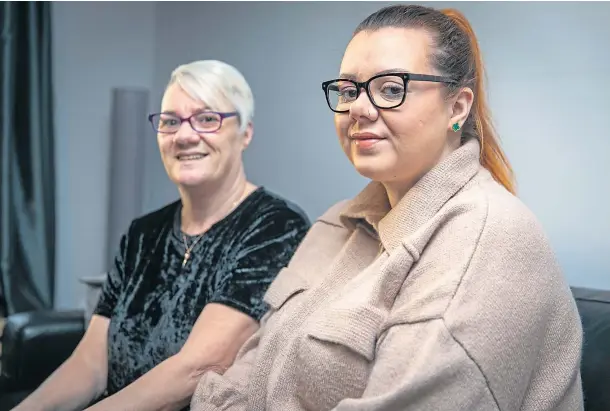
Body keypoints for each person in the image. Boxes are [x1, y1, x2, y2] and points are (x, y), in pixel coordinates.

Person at [191, 5, 584, 411]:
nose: (358, 109)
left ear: (458, 107)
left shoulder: (489, 237)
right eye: (347, 91)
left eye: (391, 88)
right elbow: (240, 379)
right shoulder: (335, 223)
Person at [13, 60, 310, 411]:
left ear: (245, 133)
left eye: (207, 118)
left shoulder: (276, 226)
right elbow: (90, 365)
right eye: (170, 121)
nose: (184, 136)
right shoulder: (142, 233)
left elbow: (196, 369)